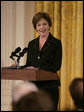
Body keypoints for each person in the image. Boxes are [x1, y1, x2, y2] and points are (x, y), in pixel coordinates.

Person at [20, 12, 62, 110]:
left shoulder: (56, 43)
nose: (41, 27)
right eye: (38, 25)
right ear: (35, 27)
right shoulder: (31, 44)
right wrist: (17, 67)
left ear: (49, 25)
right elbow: (28, 65)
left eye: (44, 24)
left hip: (50, 86)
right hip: (34, 86)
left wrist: (38, 67)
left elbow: (57, 66)